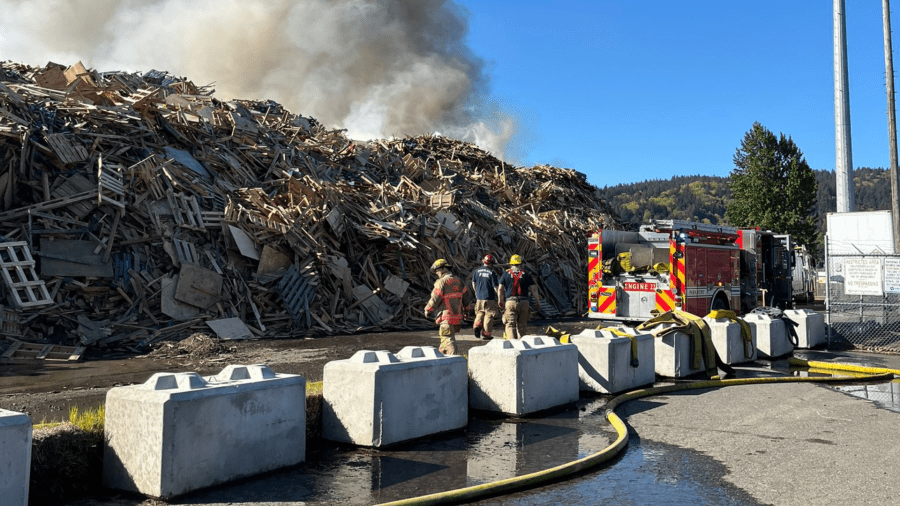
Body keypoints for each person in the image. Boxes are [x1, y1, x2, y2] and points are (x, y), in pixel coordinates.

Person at [424, 258, 471, 356]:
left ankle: (455, 362)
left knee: (448, 340)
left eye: (437, 271)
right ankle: (441, 359)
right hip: (457, 318)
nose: (437, 274)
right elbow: (466, 297)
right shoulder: (459, 281)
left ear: (441, 269)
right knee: (444, 343)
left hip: (446, 317)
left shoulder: (441, 282)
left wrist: (428, 310)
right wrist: (467, 311)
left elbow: (435, 298)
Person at [497, 254, 541, 340]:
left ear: (511, 264)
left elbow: (500, 289)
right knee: (522, 325)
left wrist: (500, 300)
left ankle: (512, 346)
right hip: (524, 302)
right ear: (520, 264)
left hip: (510, 302)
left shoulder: (505, 274)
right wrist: (537, 302)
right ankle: (522, 346)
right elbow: (534, 289)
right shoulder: (526, 274)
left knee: (510, 325)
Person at [471, 254, 500, 340]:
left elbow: (473, 283)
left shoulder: (477, 271)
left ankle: (477, 326)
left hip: (479, 297)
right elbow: (495, 287)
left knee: (480, 313)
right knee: (489, 314)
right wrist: (499, 296)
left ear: (483, 262)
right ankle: (486, 333)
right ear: (491, 263)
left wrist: (477, 292)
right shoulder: (492, 272)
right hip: (489, 297)